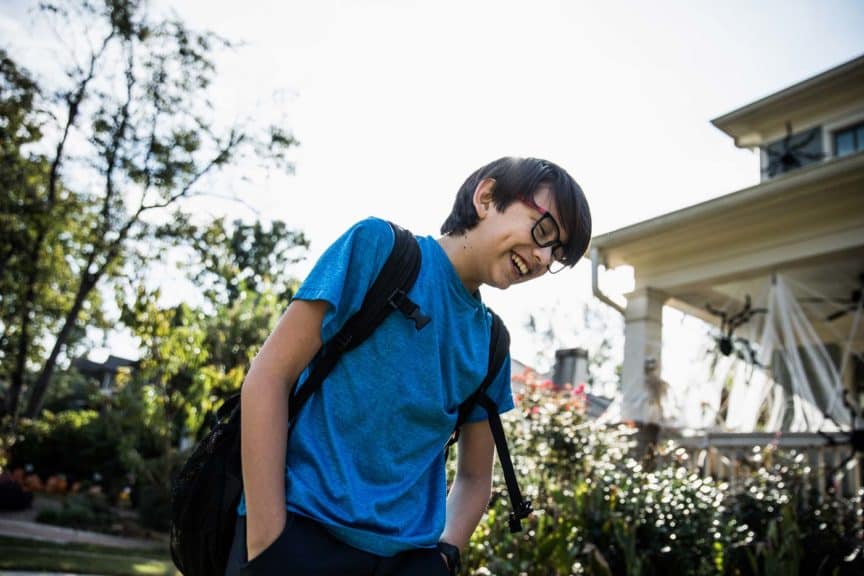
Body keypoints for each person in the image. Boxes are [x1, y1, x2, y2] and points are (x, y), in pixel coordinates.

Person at [226, 156, 592, 575]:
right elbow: (270, 376)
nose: (544, 257)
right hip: (299, 537)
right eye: (543, 230)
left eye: (556, 252)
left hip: (405, 560)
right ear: (487, 197)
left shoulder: (492, 343)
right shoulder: (378, 248)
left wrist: (443, 556)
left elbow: (475, 477)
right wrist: (267, 538)